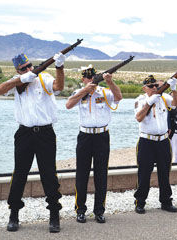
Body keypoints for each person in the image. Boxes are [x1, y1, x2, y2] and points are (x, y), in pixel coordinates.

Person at [0, 52, 66, 233]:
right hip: (24, 133)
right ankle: (14, 215)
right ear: (18, 71)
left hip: (45, 133)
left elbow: (59, 86)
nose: (28, 70)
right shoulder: (17, 80)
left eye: (30, 66)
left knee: (49, 174)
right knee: (19, 175)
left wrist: (59, 67)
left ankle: (54, 216)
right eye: (23, 69)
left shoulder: (44, 77)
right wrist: (21, 79)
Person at [65, 65, 122, 224]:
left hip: (102, 136)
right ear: (83, 79)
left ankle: (99, 211)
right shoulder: (79, 93)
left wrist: (110, 82)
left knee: (101, 175)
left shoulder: (103, 92)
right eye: (88, 78)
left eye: (93, 78)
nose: (91, 80)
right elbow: (68, 105)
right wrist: (85, 91)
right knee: (82, 175)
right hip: (85, 136)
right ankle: (80, 210)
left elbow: (118, 97)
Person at [133, 75, 177, 214]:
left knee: (164, 173)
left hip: (163, 141)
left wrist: (174, 88)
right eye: (151, 86)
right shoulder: (140, 100)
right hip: (147, 141)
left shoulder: (164, 98)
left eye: (156, 86)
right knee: (144, 174)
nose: (154, 88)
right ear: (144, 88)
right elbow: (139, 118)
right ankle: (140, 202)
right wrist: (149, 103)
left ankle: (166, 201)